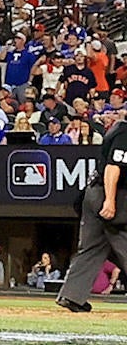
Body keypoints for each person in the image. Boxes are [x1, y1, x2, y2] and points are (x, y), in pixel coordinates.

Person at [57, 105, 127, 312]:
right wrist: (110, 201)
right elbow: (113, 168)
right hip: (110, 193)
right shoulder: (125, 132)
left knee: (91, 247)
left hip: (94, 192)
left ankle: (71, 296)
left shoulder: (118, 129)